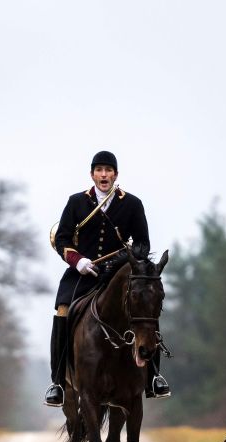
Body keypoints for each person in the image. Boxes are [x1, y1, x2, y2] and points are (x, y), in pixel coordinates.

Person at [44, 150, 170, 407]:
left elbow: (143, 244)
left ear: (115, 174)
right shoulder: (76, 202)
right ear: (92, 175)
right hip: (83, 274)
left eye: (108, 170)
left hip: (119, 276)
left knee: (145, 309)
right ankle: (57, 381)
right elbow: (62, 239)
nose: (104, 175)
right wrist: (78, 260)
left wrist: (121, 261)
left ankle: (154, 378)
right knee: (63, 311)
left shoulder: (132, 204)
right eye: (99, 170)